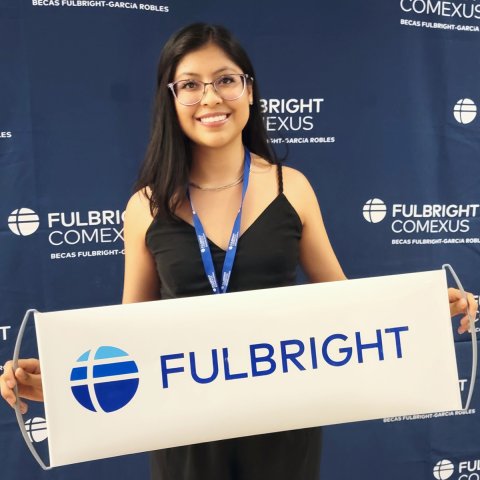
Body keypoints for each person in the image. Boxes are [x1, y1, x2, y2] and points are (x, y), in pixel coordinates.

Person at [0, 23, 477, 480]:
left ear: (249, 90)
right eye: (189, 84)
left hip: (284, 425)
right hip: (181, 431)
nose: (210, 97)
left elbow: (348, 308)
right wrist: (62, 380)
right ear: (171, 99)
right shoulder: (145, 207)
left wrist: (420, 316)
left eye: (226, 80)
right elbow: (127, 336)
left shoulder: (293, 188)